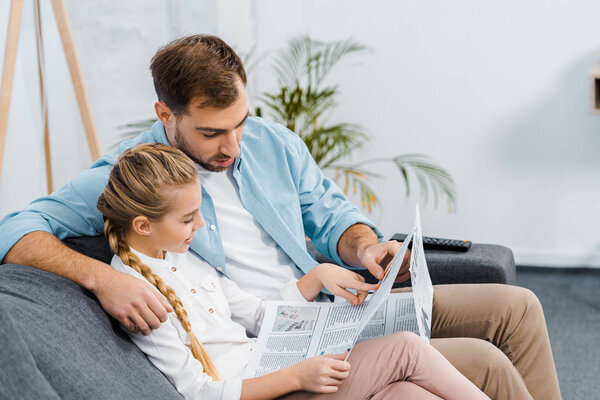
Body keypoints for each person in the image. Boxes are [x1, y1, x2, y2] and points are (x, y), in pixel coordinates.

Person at [0, 34, 560, 399]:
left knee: (516, 307)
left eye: (241, 122)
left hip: (328, 305)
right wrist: (105, 278)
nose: (234, 145)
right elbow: (14, 230)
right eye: (212, 132)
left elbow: (331, 213)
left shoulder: (273, 142)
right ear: (165, 116)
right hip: (270, 345)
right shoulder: (136, 178)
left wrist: (366, 248)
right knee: (478, 364)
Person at [96, 142, 488, 399]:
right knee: (406, 348)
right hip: (271, 388)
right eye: (187, 219)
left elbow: (259, 314)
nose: (200, 227)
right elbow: (196, 390)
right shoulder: (136, 293)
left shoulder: (183, 257)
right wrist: (297, 377)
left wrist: (316, 277)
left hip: (273, 364)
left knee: (407, 395)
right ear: (144, 225)